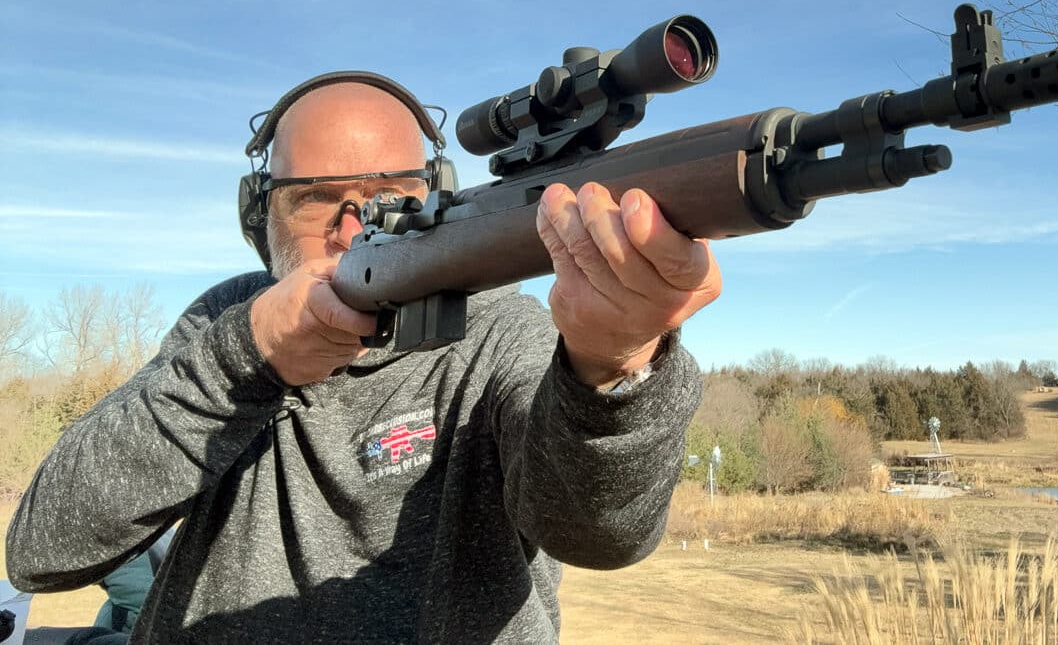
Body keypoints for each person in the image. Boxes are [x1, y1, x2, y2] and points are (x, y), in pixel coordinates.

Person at [4, 72, 721, 643]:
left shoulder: (499, 329)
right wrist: (250, 357)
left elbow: (597, 532)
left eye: (391, 195)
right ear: (262, 217)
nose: (356, 229)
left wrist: (612, 366)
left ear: (434, 195)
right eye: (317, 199)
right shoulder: (228, 321)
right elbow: (43, 547)